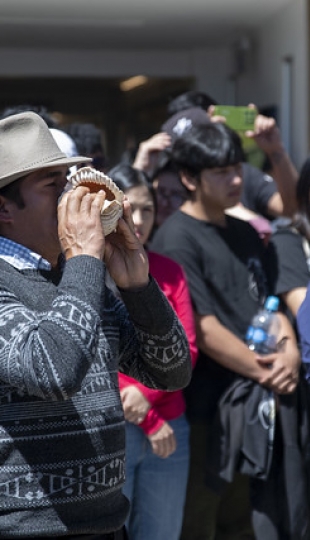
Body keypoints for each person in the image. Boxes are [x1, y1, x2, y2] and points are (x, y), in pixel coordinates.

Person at [0, 111, 192, 539]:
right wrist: (85, 259)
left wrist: (138, 285)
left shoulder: (78, 278)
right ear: (4, 208)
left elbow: (171, 371)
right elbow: (53, 371)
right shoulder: (68, 275)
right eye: (54, 186)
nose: (75, 197)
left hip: (107, 526)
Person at [150, 122, 306, 539]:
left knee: (243, 521)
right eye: (221, 172)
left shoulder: (245, 232)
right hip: (204, 410)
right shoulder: (176, 238)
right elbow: (203, 327)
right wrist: (268, 371)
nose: (236, 179)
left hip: (252, 405)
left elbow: (271, 303)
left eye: (238, 168)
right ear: (189, 178)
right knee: (199, 520)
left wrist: (289, 350)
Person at [107, 163, 198, 540]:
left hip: (170, 424)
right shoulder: (84, 270)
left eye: (147, 208)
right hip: (114, 426)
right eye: (130, 210)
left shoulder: (170, 270)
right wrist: (143, 415)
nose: (139, 219)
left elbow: (187, 350)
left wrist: (145, 399)